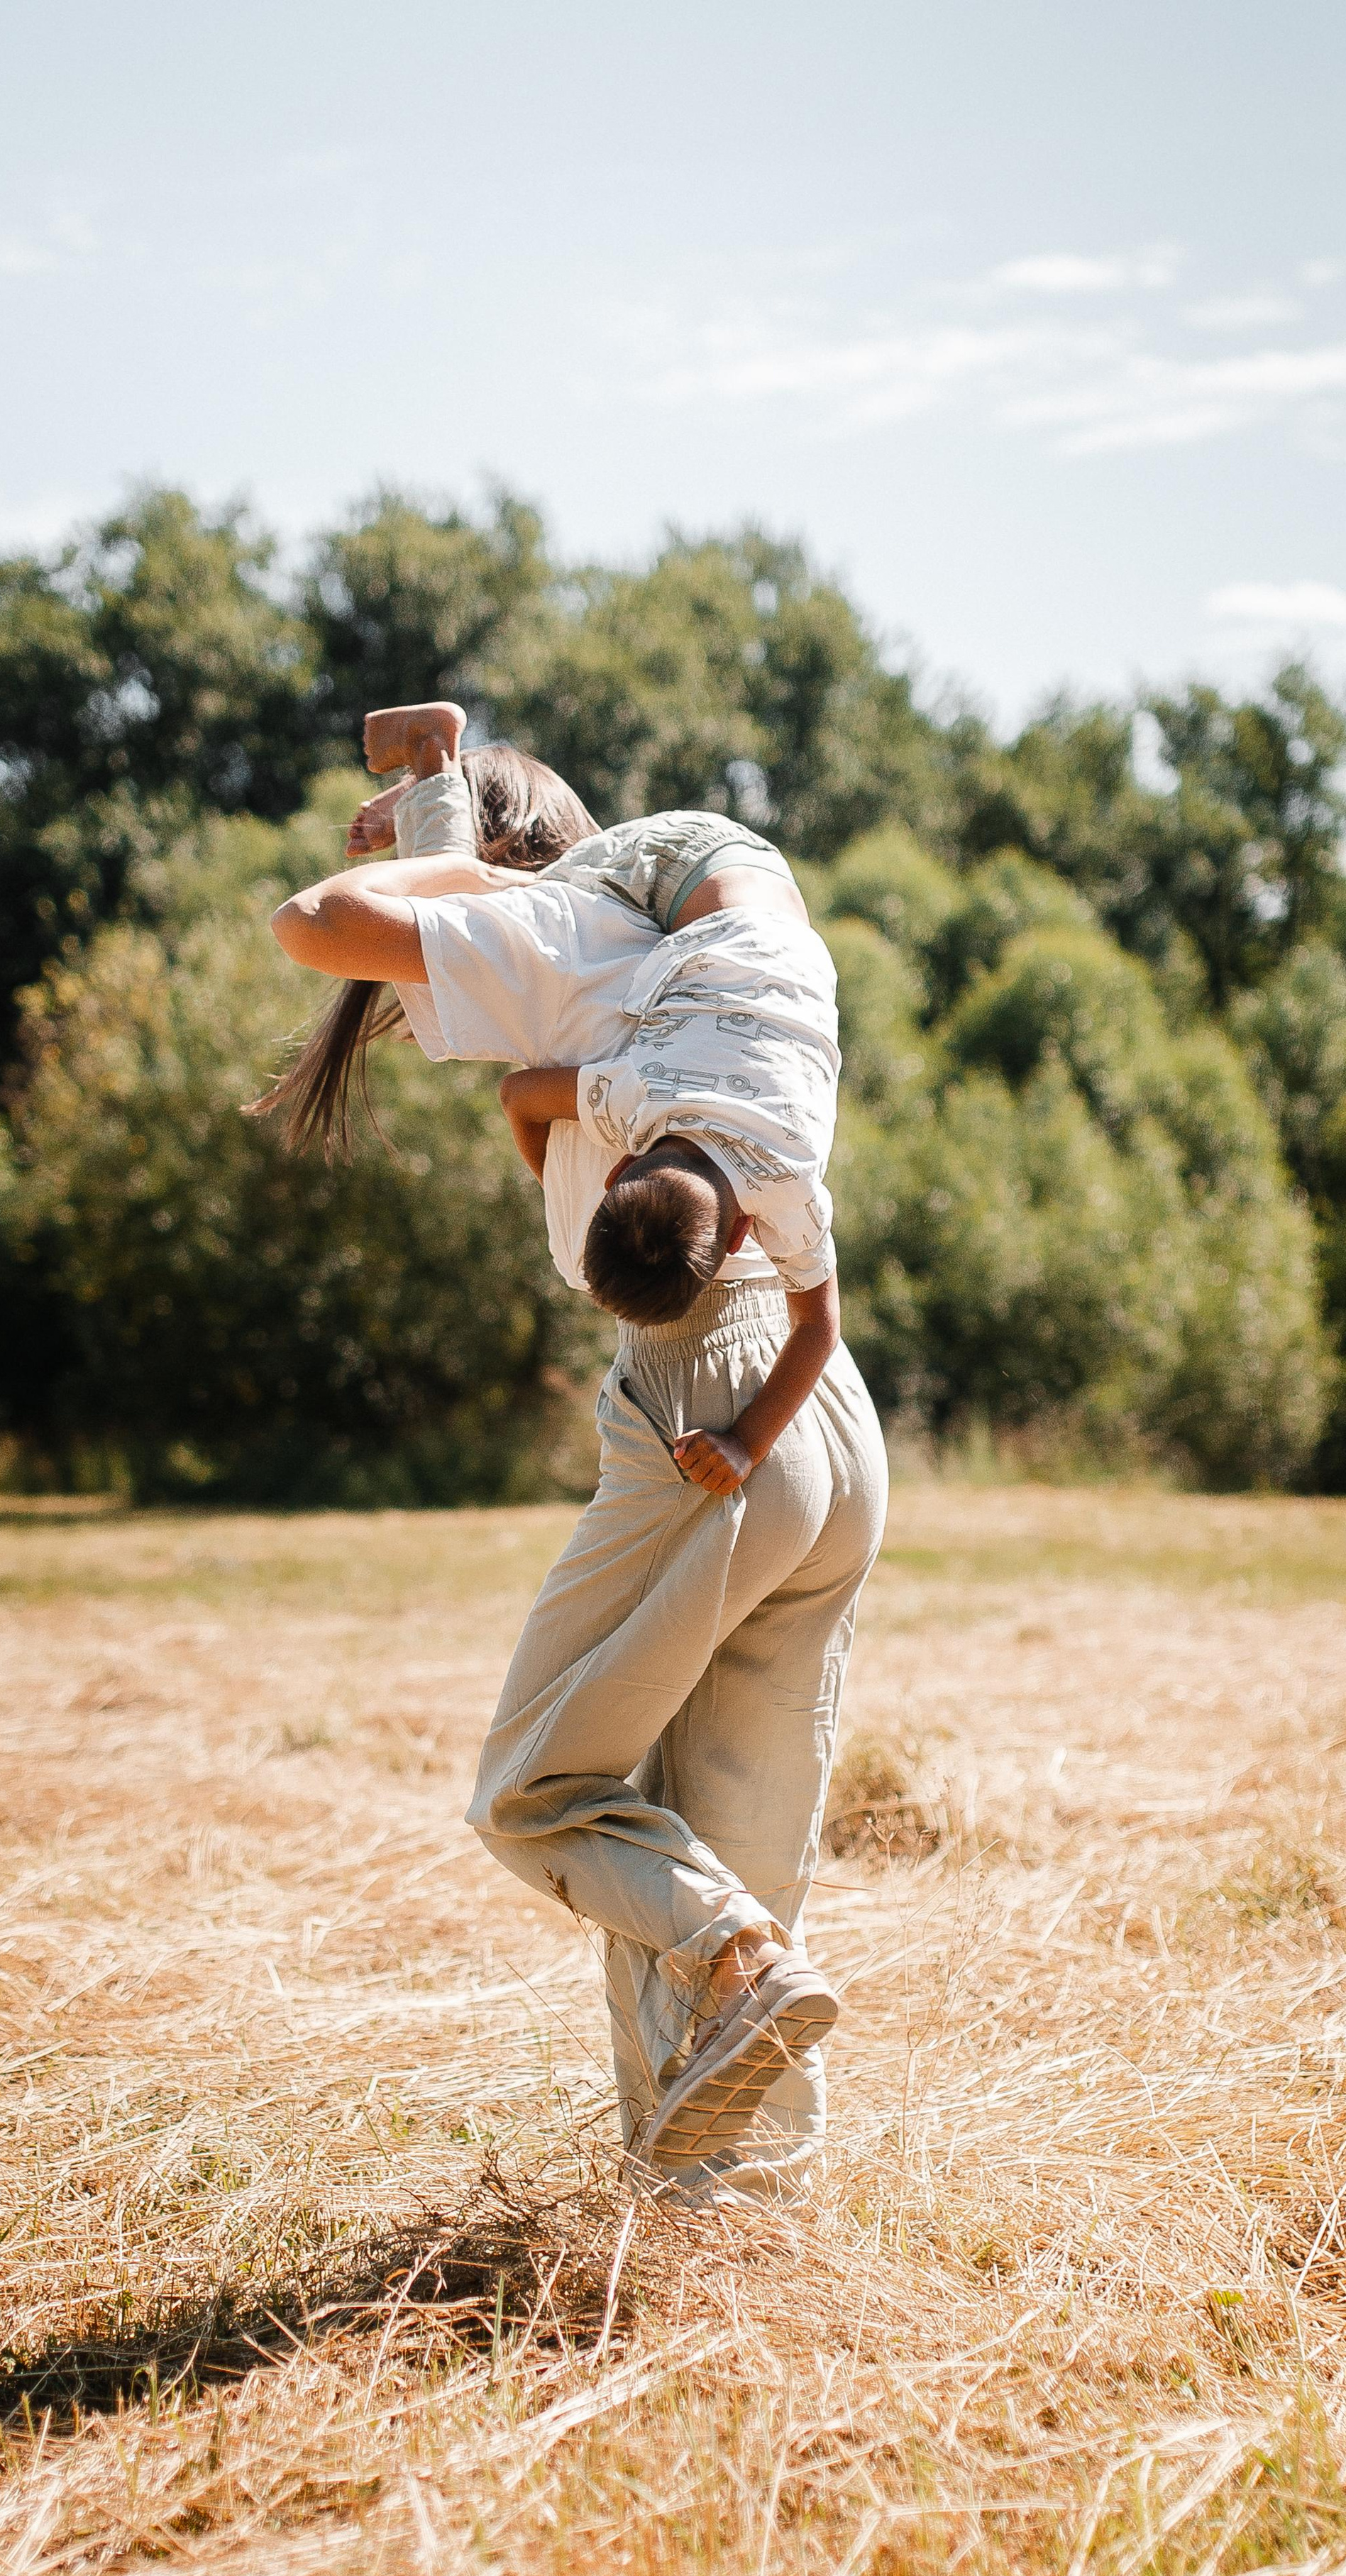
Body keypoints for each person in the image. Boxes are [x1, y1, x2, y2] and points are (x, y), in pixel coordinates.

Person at [260, 714, 887, 2202]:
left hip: (703, 1390)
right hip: (821, 1409)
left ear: (512, 870)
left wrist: (434, 852)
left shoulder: (559, 930)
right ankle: (735, 2219)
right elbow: (505, 1044)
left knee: (544, 1789)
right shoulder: (673, 968)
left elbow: (316, 926)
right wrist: (433, 812)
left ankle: (727, 1980)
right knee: (738, 1828)